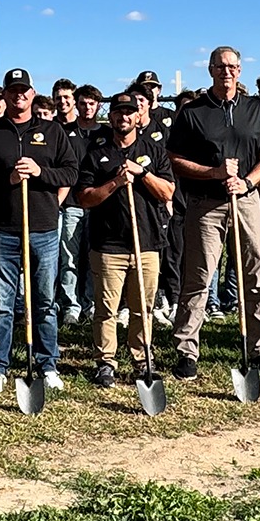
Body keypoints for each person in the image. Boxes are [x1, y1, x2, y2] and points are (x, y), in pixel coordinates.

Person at [165, 47, 260, 379]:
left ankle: (258, 349)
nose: (226, 71)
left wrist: (247, 182)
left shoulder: (255, 109)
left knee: (255, 275)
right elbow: (174, 159)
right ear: (210, 70)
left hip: (246, 200)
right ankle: (187, 350)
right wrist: (213, 173)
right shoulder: (193, 112)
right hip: (205, 205)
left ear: (240, 71)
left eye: (232, 66)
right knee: (199, 277)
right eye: (220, 66)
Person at [0, 67, 80, 393]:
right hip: (0, 230)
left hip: (43, 229)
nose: (19, 95)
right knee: (1, 305)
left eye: (24, 90)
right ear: (4, 95)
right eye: (12, 90)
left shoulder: (52, 131)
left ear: (32, 93)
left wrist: (40, 172)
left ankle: (47, 364)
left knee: (44, 302)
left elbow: (70, 172)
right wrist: (8, 181)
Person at [76, 91, 176, 386]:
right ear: (112, 116)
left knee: (142, 308)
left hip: (146, 244)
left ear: (137, 116)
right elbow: (84, 198)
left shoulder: (154, 151)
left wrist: (142, 173)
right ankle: (105, 361)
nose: (123, 117)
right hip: (108, 245)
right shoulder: (96, 153)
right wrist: (117, 181)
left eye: (129, 112)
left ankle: (142, 359)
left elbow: (168, 192)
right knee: (106, 309)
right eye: (118, 112)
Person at [53, 78, 91, 329]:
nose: (64, 102)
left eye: (68, 97)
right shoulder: (52, 129)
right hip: (68, 204)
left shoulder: (96, 131)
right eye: (59, 98)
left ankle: (90, 303)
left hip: (95, 202)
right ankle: (70, 305)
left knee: (94, 258)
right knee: (68, 257)